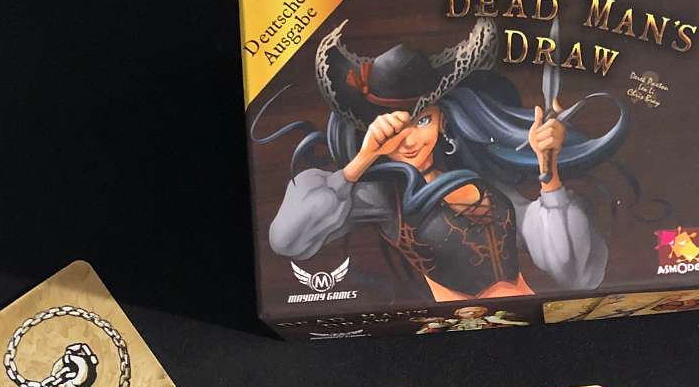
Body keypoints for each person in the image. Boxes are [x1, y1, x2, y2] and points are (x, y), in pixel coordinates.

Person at [254, 17, 628, 301]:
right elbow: (286, 240)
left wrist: (549, 170)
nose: (409, 140)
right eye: (393, 126)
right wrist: (363, 159)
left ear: (442, 119)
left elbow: (578, 273)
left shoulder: (483, 183)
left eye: (422, 120)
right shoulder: (380, 197)